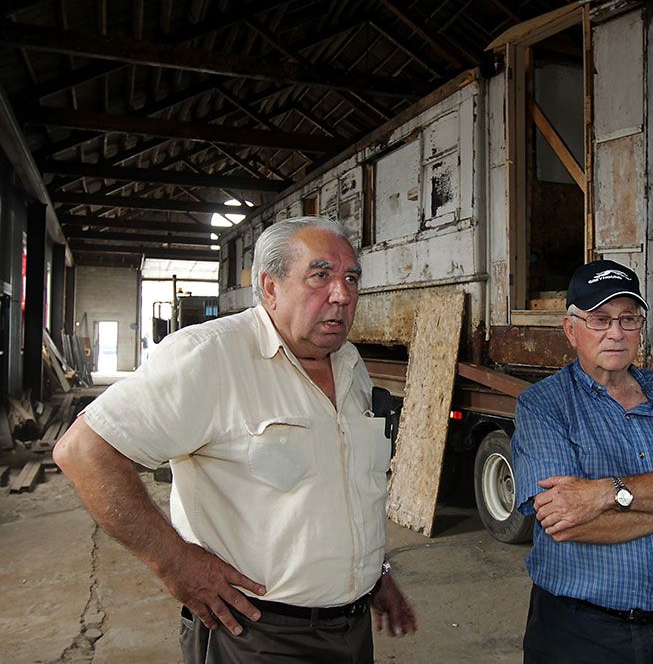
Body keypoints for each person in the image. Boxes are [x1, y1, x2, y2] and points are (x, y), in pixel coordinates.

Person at [54, 216, 417, 663]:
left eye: (351, 278)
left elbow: (348, 484)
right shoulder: (211, 356)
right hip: (254, 635)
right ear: (270, 287)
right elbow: (84, 451)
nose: (342, 294)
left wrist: (371, 572)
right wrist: (174, 562)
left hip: (352, 630)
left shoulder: (350, 364)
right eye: (321, 276)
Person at [511, 259, 653, 664]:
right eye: (600, 319)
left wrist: (604, 492)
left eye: (628, 319)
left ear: (641, 327)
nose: (615, 333)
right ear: (571, 330)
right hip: (581, 634)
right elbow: (564, 521)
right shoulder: (543, 405)